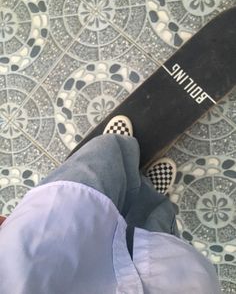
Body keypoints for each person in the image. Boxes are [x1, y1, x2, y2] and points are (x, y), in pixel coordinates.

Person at [0, 115, 221, 294]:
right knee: (153, 232)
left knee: (89, 182)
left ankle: (122, 165)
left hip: (30, 273)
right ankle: (145, 192)